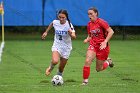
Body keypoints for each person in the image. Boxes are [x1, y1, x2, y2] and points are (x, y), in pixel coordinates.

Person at [82, 7, 114, 85]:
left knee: (98, 69)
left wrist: (105, 42)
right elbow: (90, 36)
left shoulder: (101, 22)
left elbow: (111, 32)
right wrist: (87, 39)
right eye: (88, 14)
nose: (89, 15)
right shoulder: (89, 24)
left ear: (96, 13)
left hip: (103, 47)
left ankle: (107, 62)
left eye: (91, 13)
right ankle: (85, 82)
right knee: (87, 61)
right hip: (93, 45)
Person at [42, 9, 76, 76]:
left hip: (66, 48)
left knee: (61, 68)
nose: (61, 19)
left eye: (63, 17)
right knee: (55, 61)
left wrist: (71, 34)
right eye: (59, 17)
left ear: (66, 17)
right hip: (57, 45)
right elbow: (51, 24)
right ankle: (50, 68)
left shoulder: (69, 25)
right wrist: (46, 32)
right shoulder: (55, 22)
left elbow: (74, 37)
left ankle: (59, 78)